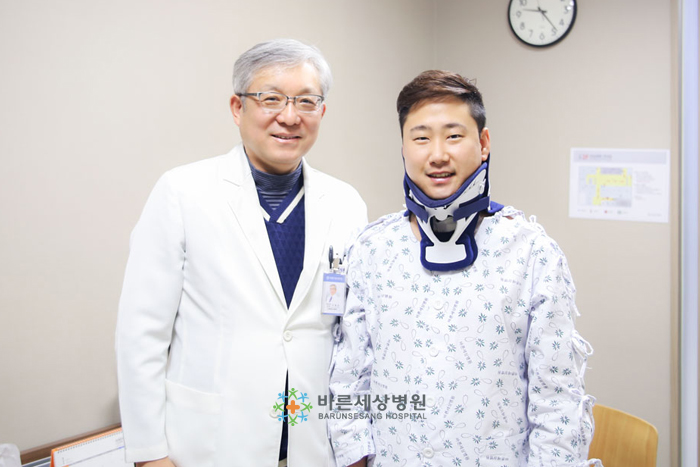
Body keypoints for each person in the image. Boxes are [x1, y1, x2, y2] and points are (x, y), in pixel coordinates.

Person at [116, 39, 367, 467]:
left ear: (322, 112)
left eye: (306, 101)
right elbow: (141, 333)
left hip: (314, 443)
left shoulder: (347, 204)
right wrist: (149, 453)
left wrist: (354, 446)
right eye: (271, 99)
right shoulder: (182, 192)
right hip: (212, 442)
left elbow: (352, 339)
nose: (290, 116)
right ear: (238, 108)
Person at [328, 70, 596, 467]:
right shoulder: (372, 249)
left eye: (453, 135)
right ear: (403, 147)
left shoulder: (532, 253)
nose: (438, 154)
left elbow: (557, 401)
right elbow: (349, 378)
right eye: (421, 138)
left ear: (483, 143)